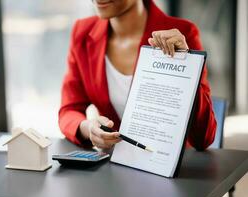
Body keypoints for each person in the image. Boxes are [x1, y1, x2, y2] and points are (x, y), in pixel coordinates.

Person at [59, 0, 217, 151]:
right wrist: (88, 128)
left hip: (171, 166)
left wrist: (186, 67)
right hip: (115, 163)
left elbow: (203, 138)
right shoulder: (83, 32)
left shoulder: (182, 34)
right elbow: (69, 110)